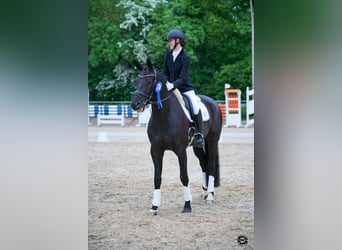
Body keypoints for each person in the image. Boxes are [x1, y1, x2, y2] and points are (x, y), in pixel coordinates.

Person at [163, 29, 204, 148]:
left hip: (185, 88)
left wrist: (173, 84)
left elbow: (183, 77)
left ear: (178, 41)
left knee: (195, 108)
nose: (169, 43)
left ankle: (199, 135)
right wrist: (166, 82)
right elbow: (164, 72)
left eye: (171, 41)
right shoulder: (168, 55)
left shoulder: (185, 57)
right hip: (170, 88)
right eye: (169, 41)